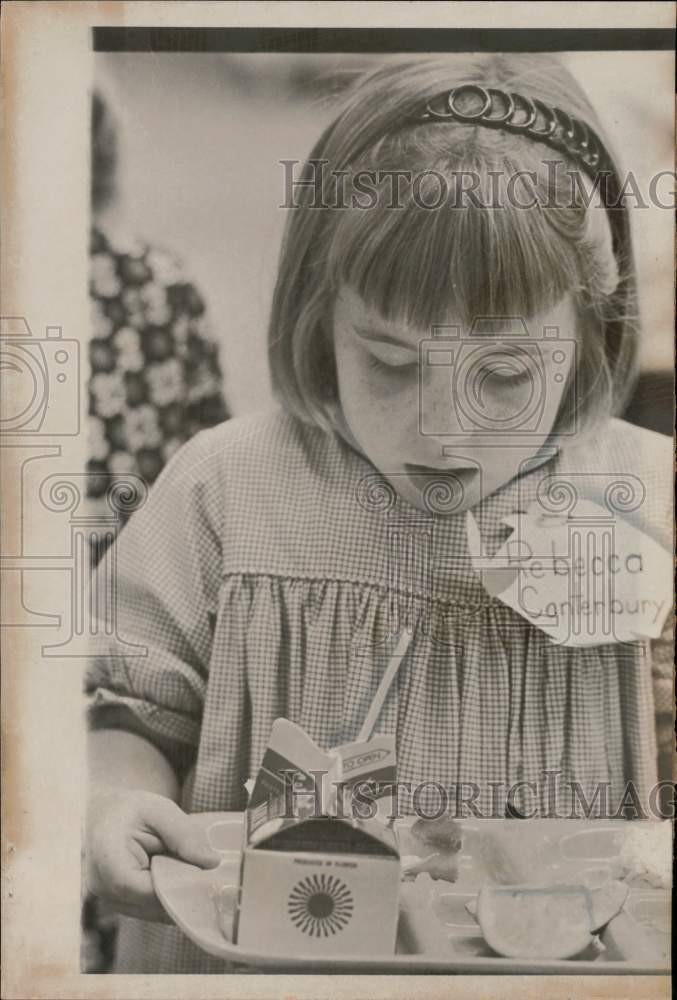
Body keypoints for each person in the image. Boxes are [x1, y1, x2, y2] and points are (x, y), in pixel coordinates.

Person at [85, 55, 673, 973]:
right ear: (320, 318)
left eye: (506, 373)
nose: (442, 430)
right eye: (390, 364)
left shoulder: (652, 505)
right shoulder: (224, 489)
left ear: (594, 324)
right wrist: (112, 800)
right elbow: (125, 711)